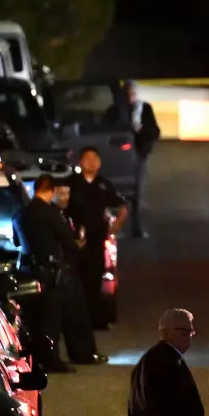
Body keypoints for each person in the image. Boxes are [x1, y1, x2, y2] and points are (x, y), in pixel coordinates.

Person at [13, 173, 107, 368]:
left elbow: (15, 241)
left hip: (28, 271)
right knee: (51, 319)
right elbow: (67, 240)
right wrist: (78, 244)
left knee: (33, 319)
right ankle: (53, 360)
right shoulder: (49, 214)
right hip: (51, 272)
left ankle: (36, 359)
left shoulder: (20, 214)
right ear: (50, 190)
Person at [65, 148, 128, 330]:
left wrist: (118, 224)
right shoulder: (71, 183)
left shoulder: (104, 184)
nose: (92, 162)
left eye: (95, 158)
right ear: (80, 162)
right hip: (75, 242)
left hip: (97, 240)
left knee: (95, 280)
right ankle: (77, 321)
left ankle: (95, 319)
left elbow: (121, 206)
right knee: (77, 281)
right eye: (87, 158)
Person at [125, 80, 161, 239]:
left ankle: (136, 228)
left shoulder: (144, 108)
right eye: (127, 94)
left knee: (137, 194)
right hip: (120, 157)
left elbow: (155, 132)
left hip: (139, 155)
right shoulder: (117, 110)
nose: (130, 97)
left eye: (132, 93)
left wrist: (141, 129)